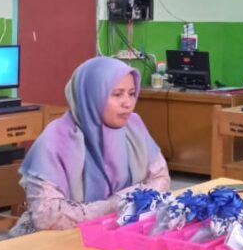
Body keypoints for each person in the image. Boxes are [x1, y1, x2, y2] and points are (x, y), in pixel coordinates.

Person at [10, 57, 170, 236]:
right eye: (117, 94)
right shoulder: (56, 138)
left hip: (115, 233)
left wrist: (124, 201)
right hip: (53, 240)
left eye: (132, 93)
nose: (128, 103)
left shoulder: (133, 126)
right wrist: (112, 206)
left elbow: (161, 178)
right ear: (91, 96)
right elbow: (46, 216)